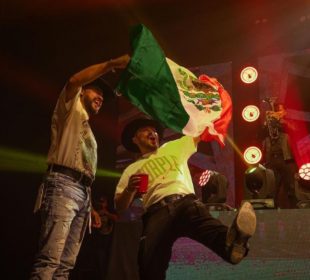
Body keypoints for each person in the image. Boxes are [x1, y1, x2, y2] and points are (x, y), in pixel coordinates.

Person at [114, 118, 257, 280]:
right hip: (156, 212)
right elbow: (119, 206)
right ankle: (231, 243)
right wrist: (129, 189)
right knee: (148, 264)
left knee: (210, 228)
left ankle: (233, 245)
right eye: (145, 130)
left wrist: (206, 109)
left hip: (185, 202)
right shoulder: (131, 169)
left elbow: (199, 131)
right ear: (135, 139)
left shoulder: (173, 147)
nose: (152, 133)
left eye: (154, 130)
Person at [30, 54, 130, 279]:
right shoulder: (70, 109)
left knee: (66, 265)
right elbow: (74, 80)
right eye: (97, 92)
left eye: (103, 97)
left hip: (82, 194)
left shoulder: (90, 133)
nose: (101, 98)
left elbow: (84, 169)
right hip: (62, 185)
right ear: (83, 92)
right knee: (49, 260)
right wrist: (111, 65)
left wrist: (91, 206)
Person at [261, 101, 298, 208]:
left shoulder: (287, 121)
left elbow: (295, 129)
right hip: (272, 159)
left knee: (291, 187)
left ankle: (295, 211)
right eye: (276, 110)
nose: (278, 112)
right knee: (272, 188)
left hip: (287, 159)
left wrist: (282, 122)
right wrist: (266, 125)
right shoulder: (269, 121)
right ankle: (272, 213)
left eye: (280, 110)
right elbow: (261, 135)